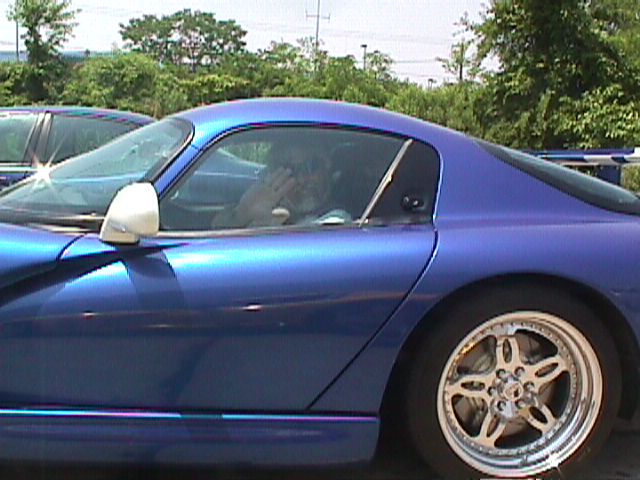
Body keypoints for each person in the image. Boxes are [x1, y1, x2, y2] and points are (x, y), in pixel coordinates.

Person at [212, 142, 351, 229]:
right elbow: (215, 228)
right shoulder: (268, 207)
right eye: (290, 171)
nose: (301, 180)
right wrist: (242, 214)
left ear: (327, 165)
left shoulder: (338, 220)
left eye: (310, 167)